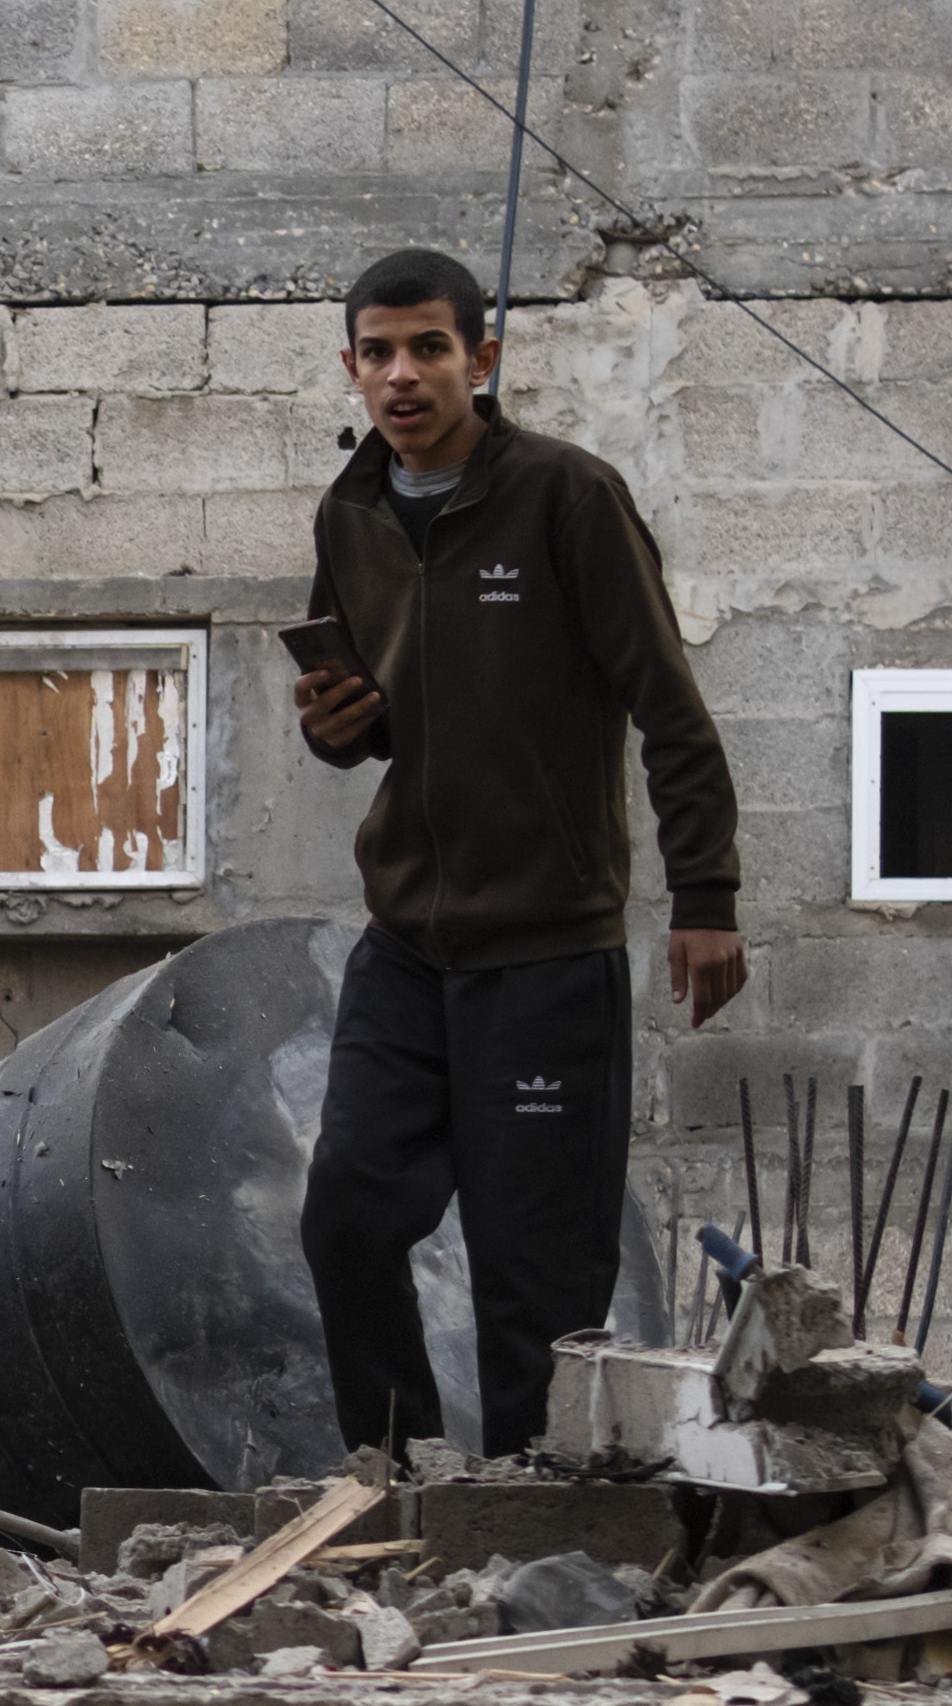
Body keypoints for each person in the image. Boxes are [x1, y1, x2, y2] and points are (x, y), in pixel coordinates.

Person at [285, 247, 743, 1472]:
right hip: (408, 949)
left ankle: (537, 1517)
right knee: (344, 1216)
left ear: (480, 362)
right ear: (350, 368)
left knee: (531, 1278)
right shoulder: (349, 515)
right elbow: (372, 716)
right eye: (376, 352)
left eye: (428, 347)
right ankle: (397, 1477)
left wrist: (704, 897)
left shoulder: (565, 499)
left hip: (546, 954)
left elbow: (670, 708)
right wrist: (339, 732)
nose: (401, 374)